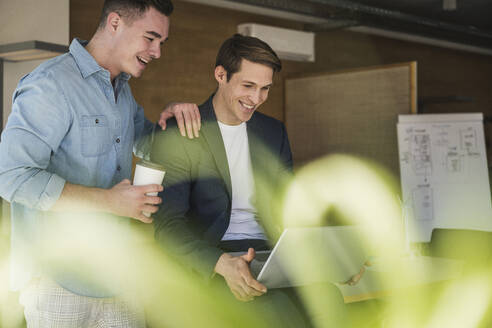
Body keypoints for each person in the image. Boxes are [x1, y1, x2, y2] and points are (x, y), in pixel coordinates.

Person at [0, 0, 199, 327]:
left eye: (162, 42)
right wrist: (109, 201)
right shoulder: (51, 84)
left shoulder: (122, 90)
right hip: (57, 279)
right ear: (116, 23)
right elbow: (11, 176)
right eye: (150, 38)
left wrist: (172, 119)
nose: (157, 51)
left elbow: (148, 144)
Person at [151, 34, 353, 328]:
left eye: (265, 89)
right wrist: (221, 264)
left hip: (269, 255)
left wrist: (335, 253)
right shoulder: (182, 130)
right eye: (248, 86)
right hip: (215, 257)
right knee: (274, 309)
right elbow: (167, 226)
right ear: (221, 75)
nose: (256, 99)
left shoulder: (273, 132)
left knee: (330, 300)